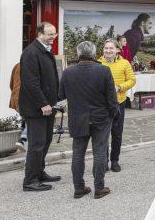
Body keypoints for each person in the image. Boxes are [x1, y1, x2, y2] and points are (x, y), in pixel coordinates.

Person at [60, 41, 117, 199]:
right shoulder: (104, 71)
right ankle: (99, 188)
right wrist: (113, 114)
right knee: (99, 152)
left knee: (78, 153)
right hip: (101, 118)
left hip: (78, 118)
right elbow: (112, 98)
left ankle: (79, 188)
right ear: (93, 53)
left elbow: (61, 95)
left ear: (78, 54)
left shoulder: (68, 72)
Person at [19, 22, 61, 192]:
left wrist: (55, 101)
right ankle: (30, 180)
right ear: (39, 33)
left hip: (48, 106)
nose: (53, 37)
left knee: (46, 141)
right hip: (37, 108)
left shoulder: (45, 49)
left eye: (54, 34)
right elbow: (30, 83)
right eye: (49, 34)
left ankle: (39, 172)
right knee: (36, 144)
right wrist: (43, 103)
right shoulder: (31, 52)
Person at [98, 39, 135, 173]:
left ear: (118, 50)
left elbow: (132, 80)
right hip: (102, 105)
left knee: (117, 134)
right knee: (103, 135)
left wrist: (120, 87)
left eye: (111, 48)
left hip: (119, 102)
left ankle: (115, 161)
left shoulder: (124, 63)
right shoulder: (98, 63)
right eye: (106, 48)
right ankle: (103, 161)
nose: (108, 51)